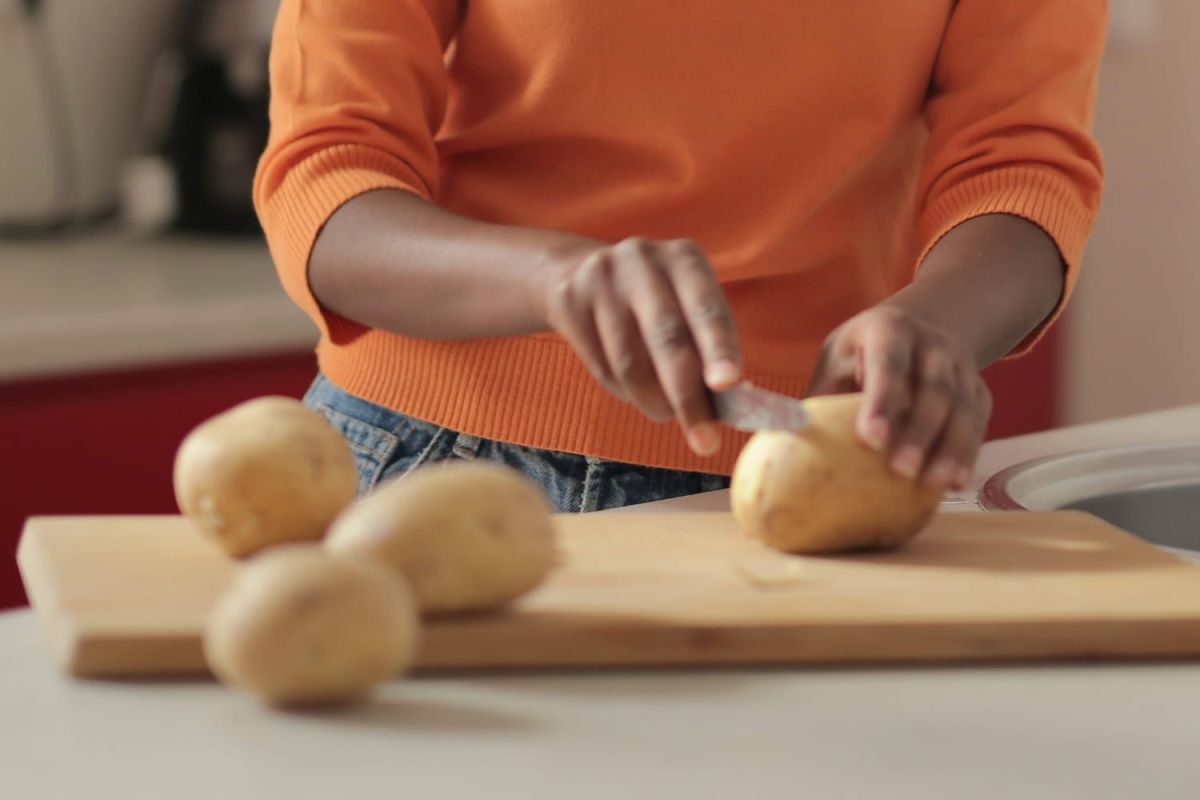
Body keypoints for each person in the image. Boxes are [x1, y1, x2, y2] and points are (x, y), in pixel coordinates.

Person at [254, 1, 1105, 512]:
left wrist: (934, 325)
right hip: (434, 466)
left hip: (811, 476)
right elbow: (327, 177)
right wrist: (553, 279)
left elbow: (1019, 164)